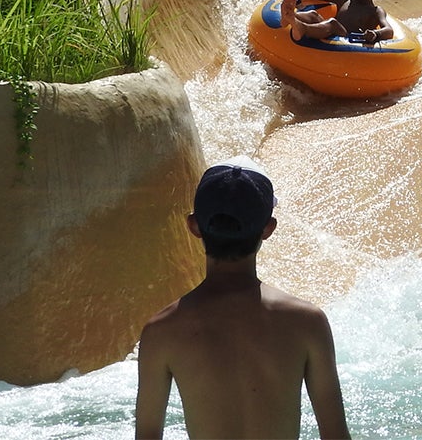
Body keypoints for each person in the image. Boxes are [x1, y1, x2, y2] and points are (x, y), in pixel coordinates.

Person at [134, 159, 350, 439]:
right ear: (268, 229)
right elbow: (335, 435)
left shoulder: (161, 331)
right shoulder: (307, 322)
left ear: (194, 226)